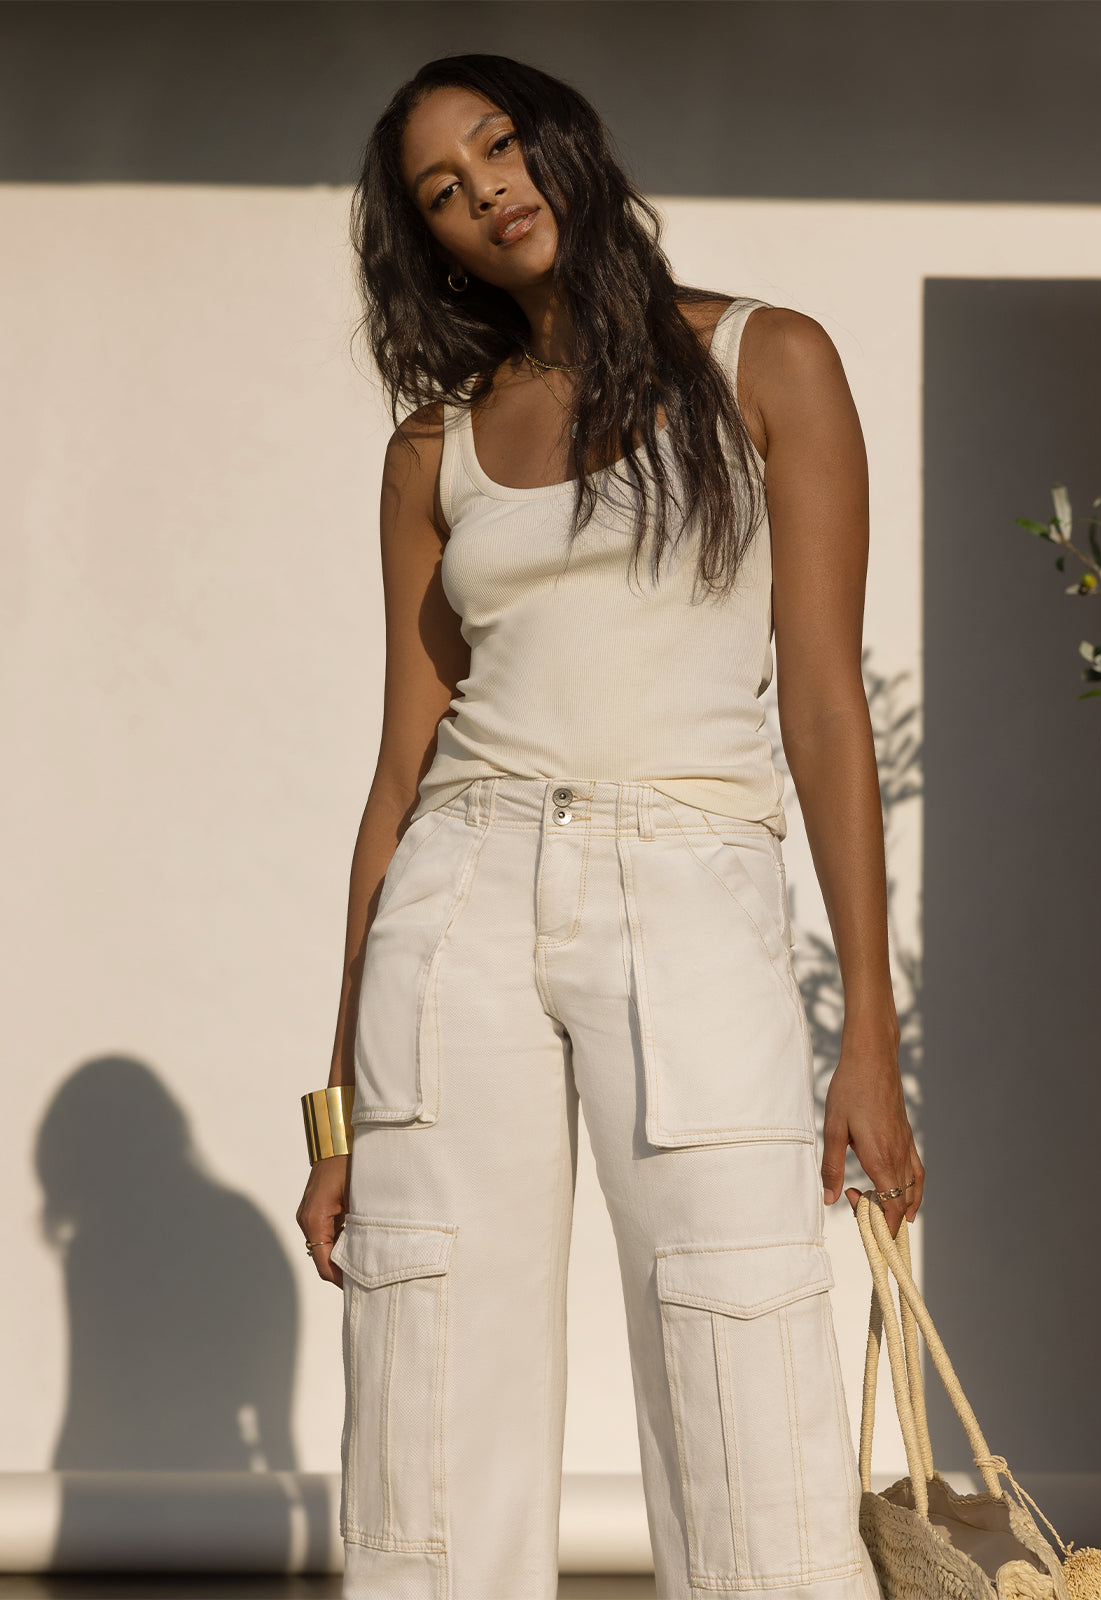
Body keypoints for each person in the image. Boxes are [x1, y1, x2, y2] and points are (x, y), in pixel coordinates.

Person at [295, 51, 923, 1600]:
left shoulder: (768, 361)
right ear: (427, 241)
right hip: (462, 899)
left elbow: (826, 711)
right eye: (442, 190)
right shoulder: (432, 451)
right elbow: (397, 774)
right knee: (432, 1364)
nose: (485, 191)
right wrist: (337, 1108)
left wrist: (869, 1037)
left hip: (691, 881)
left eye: (498, 146)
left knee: (739, 1341)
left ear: (561, 143)